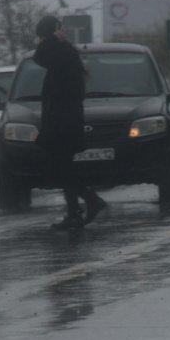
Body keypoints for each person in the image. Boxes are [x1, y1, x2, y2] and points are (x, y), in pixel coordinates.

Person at [32, 16, 106, 230]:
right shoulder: (63, 52)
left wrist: (53, 40)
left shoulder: (62, 52)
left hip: (62, 122)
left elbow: (40, 57)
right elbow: (42, 58)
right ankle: (78, 208)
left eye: (44, 36)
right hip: (62, 121)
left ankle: (87, 203)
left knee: (61, 168)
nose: (41, 42)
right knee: (62, 168)